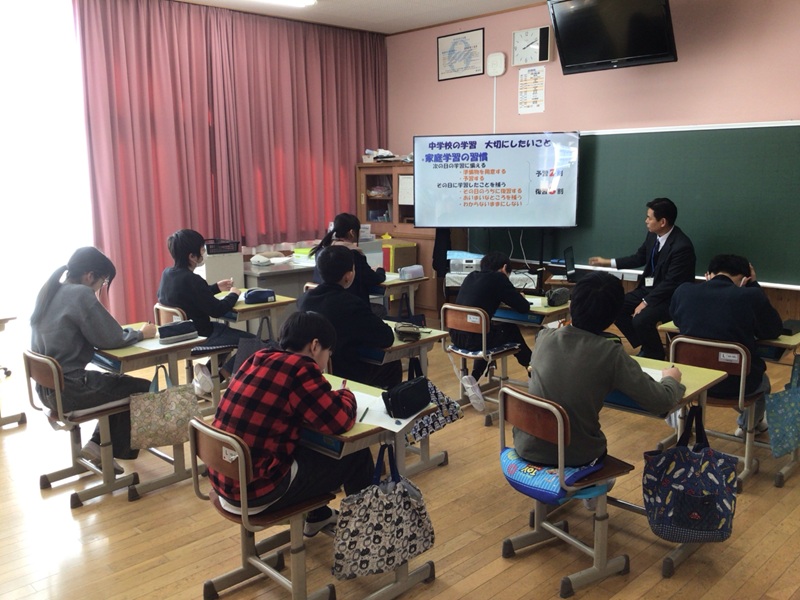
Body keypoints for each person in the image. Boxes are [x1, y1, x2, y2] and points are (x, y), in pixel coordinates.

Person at [209, 310, 373, 535]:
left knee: (301, 442)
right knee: (356, 454)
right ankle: (364, 535)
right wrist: (347, 395)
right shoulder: (300, 368)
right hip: (257, 491)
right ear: (315, 346)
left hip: (225, 479)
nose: (326, 361)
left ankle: (318, 516)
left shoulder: (258, 357)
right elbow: (339, 421)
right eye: (328, 353)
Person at [515, 271, 684, 468]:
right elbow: (661, 402)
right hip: (576, 456)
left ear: (571, 304)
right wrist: (671, 378)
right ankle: (596, 484)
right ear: (613, 317)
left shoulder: (544, 338)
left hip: (525, 446)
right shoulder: (610, 353)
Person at [30, 247, 157, 472]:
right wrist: (141, 334)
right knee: (142, 388)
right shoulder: (80, 294)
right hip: (71, 390)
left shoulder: (50, 291)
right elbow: (111, 338)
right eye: (103, 281)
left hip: (46, 390)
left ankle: (97, 443)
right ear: (90, 276)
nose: (101, 287)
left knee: (115, 383)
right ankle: (104, 447)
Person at [670, 254, 783, 436]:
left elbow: (677, 321)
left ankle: (683, 425)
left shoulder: (684, 291)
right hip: (736, 385)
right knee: (764, 384)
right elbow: (772, 330)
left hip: (692, 381)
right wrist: (754, 285)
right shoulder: (750, 295)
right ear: (745, 278)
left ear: (709, 274)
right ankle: (748, 427)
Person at [589, 197, 696, 360]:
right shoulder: (653, 235)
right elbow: (639, 257)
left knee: (641, 319)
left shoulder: (682, 247)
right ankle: (648, 345)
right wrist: (608, 262)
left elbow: (671, 283)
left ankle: (655, 354)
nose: (646, 221)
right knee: (616, 307)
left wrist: (645, 302)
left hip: (670, 297)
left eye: (649, 218)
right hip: (649, 289)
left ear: (662, 222)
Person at [298, 245, 402, 389]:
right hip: (346, 372)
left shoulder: (305, 299)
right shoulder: (351, 304)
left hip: (314, 371)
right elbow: (386, 337)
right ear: (348, 276)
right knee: (392, 363)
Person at [157, 229, 255, 375]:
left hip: (177, 336)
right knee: (254, 343)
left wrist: (216, 288)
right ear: (192, 256)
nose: (204, 254)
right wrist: (234, 294)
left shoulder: (167, 274)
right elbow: (217, 310)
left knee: (227, 337)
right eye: (202, 250)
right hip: (201, 336)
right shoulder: (193, 280)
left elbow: (189, 296)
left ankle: (207, 375)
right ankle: (221, 375)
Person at [449, 251, 533, 385]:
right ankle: (532, 368)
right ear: (504, 268)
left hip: (456, 337)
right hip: (476, 341)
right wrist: (519, 297)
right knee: (511, 329)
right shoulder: (499, 279)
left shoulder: (471, 276)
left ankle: (474, 379)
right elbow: (523, 307)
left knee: (486, 331)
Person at [310, 213, 386, 314]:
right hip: (350, 308)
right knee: (381, 310)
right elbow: (373, 279)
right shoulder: (353, 254)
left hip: (324, 308)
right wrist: (380, 270)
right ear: (352, 232)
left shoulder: (322, 251)